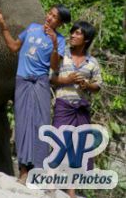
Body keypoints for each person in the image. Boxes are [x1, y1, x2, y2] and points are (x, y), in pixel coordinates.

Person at [0, 4, 71, 184]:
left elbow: (54, 66)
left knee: (40, 125)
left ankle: (37, 171)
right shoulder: (32, 29)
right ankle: (23, 171)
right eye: (49, 14)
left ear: (60, 23)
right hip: (22, 81)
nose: (49, 18)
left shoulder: (59, 40)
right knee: (23, 125)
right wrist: (3, 26)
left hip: (40, 84)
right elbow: (13, 47)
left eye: (54, 17)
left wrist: (53, 43)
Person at [51, 20, 102, 198]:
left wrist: (86, 84)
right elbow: (51, 78)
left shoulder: (92, 62)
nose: (73, 35)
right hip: (64, 105)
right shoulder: (61, 55)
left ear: (86, 39)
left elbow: (98, 86)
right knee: (58, 143)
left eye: (78, 33)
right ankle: (53, 185)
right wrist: (67, 80)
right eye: (73, 32)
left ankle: (71, 191)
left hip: (82, 108)